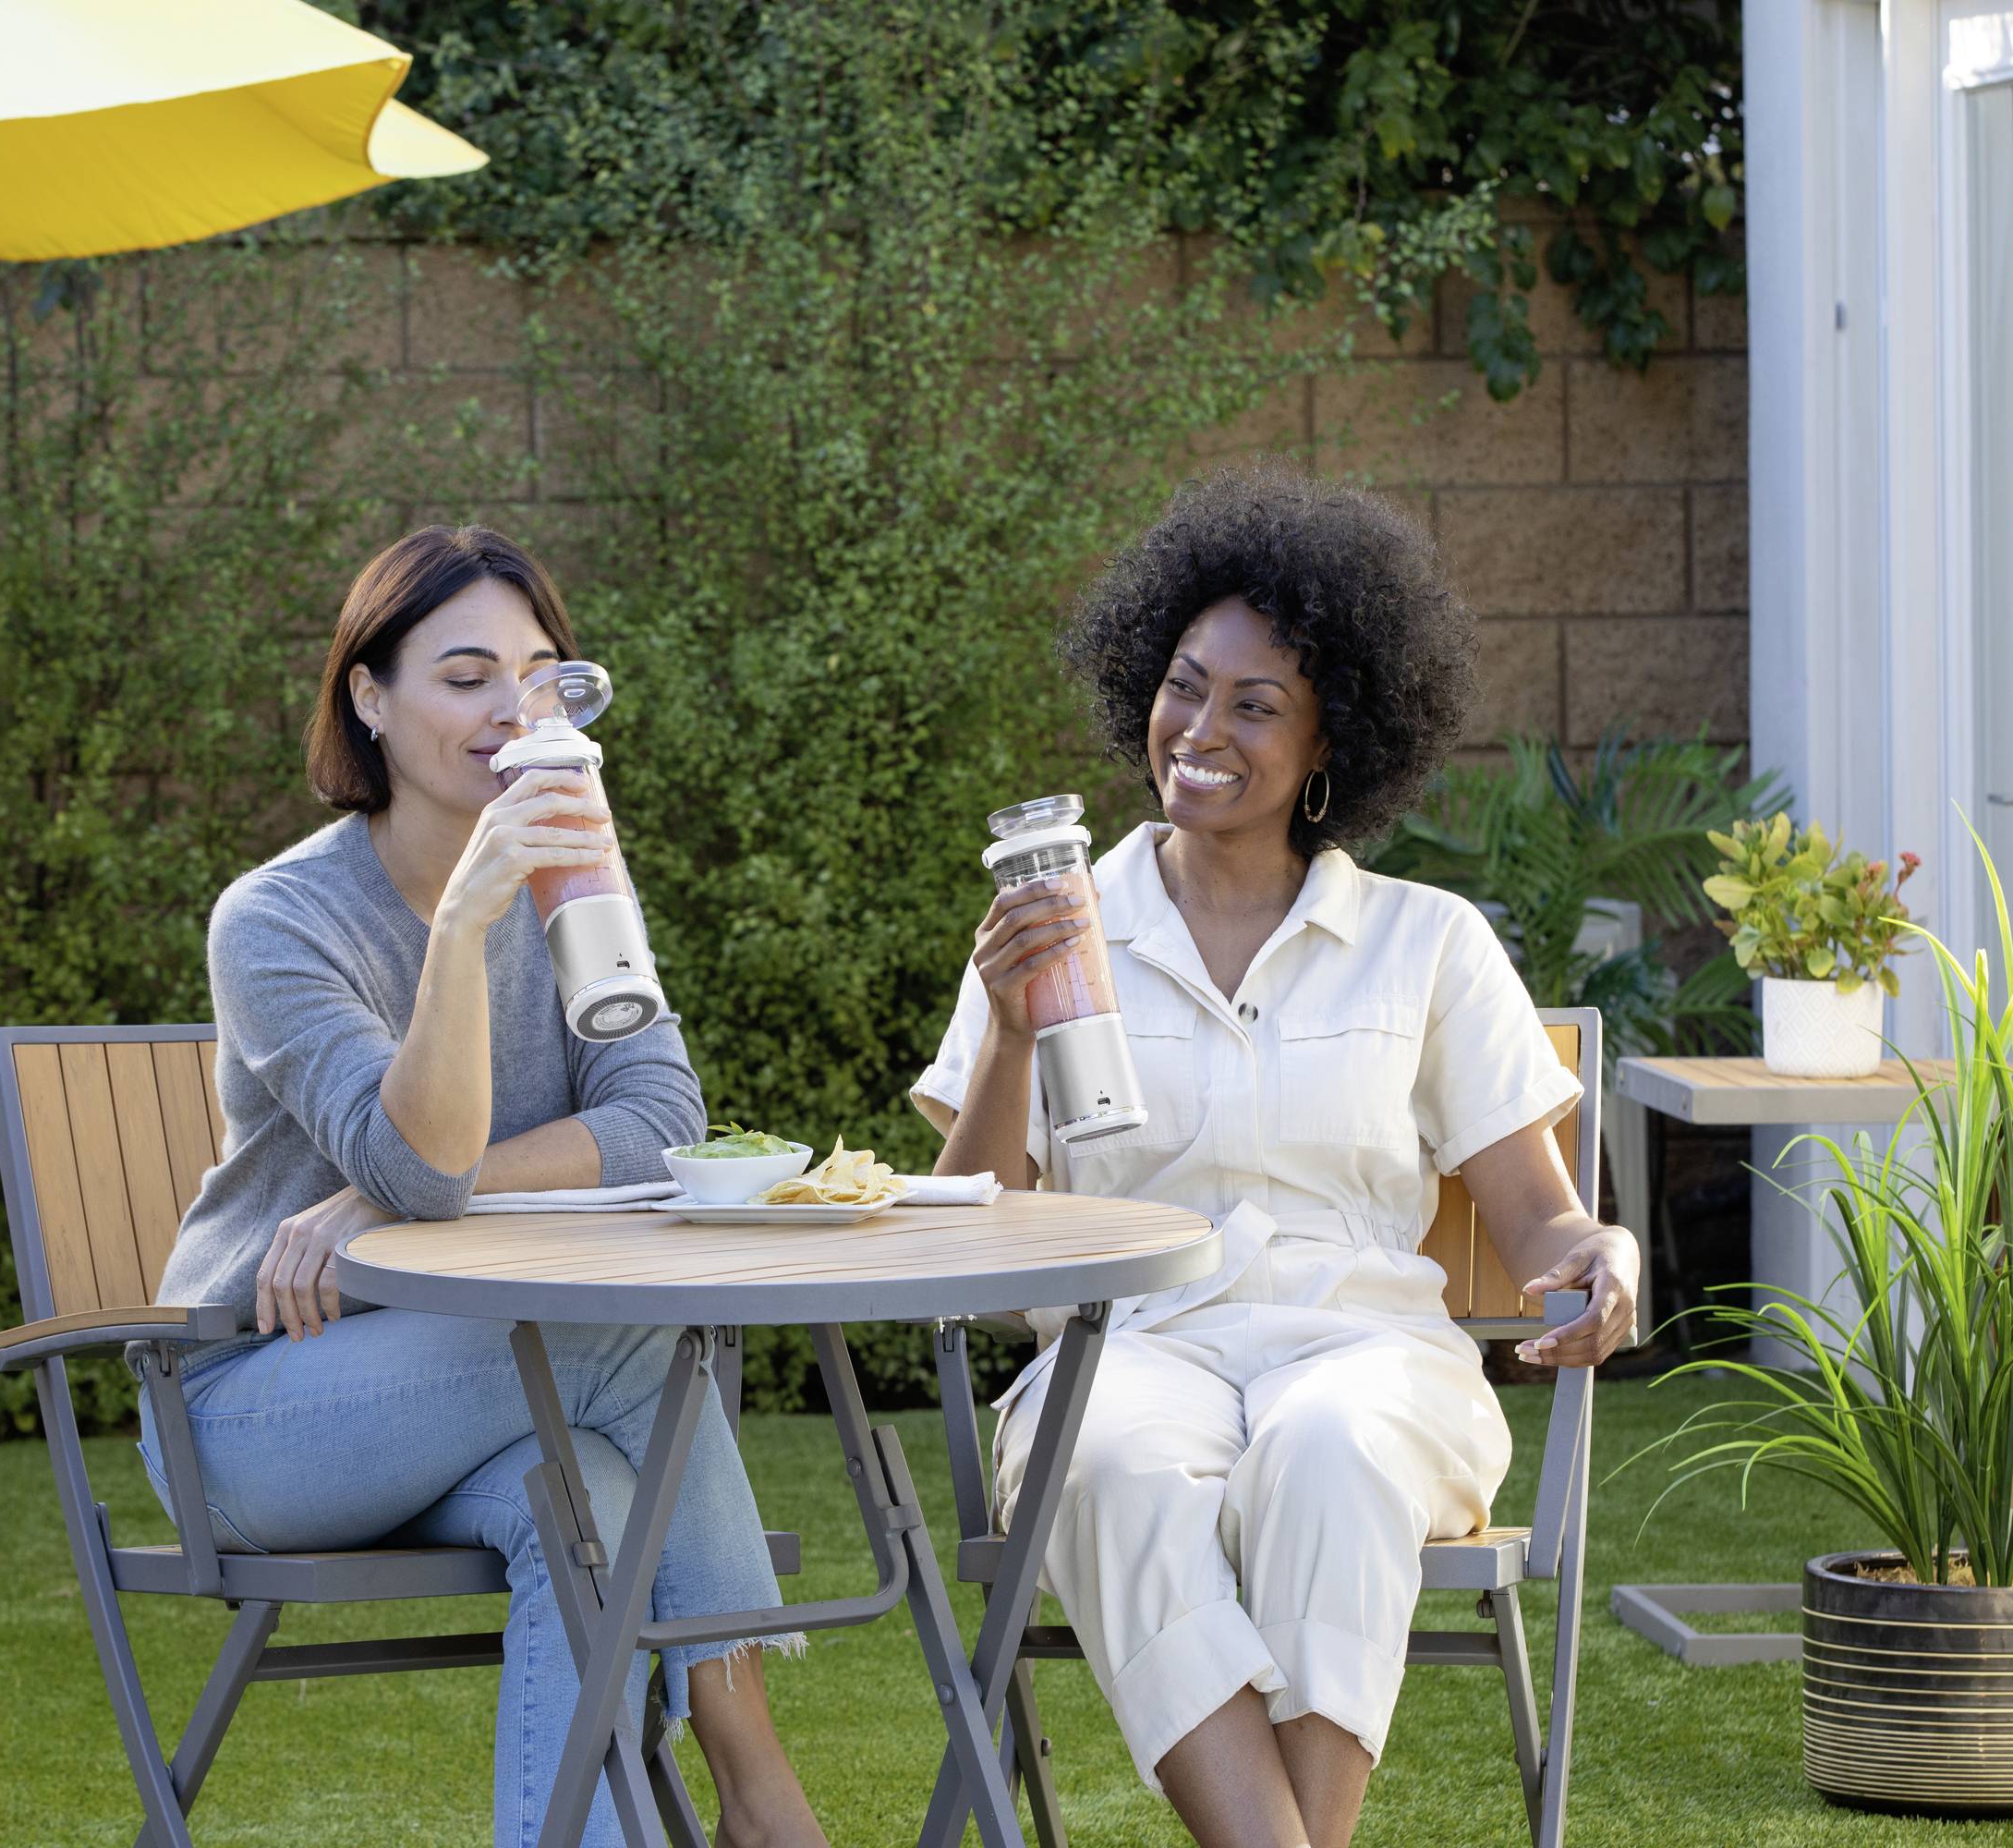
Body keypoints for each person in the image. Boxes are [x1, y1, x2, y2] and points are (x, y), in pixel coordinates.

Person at [915, 468, 1638, 1848]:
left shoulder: (1427, 942)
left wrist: (1605, 1253)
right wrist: (1008, 1031)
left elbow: (1541, 1223)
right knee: (1107, 1466)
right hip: (1126, 1346)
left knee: (1327, 1449)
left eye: (1255, 706)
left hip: (1365, 1354)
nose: (1201, 731)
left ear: (1328, 747)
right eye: (1184, 687)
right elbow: (979, 1235)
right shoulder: (1053, 927)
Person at [145, 525, 822, 1848]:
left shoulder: (579, 884)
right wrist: (461, 924)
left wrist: (389, 1206)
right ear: (369, 696)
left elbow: (659, 1120)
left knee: (595, 1509)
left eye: (540, 676)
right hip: (257, 1407)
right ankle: (764, 1801)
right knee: (633, 1330)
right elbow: (421, 1159)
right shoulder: (278, 920)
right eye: (466, 677)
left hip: (485, 1397)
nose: (513, 712)